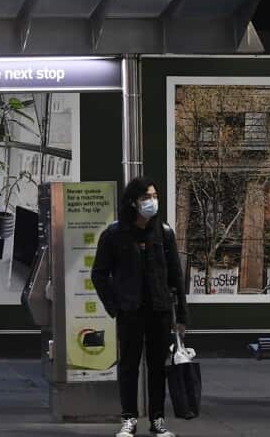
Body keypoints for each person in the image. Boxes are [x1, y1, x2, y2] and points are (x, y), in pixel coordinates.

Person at [90, 177, 188, 437]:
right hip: (130, 311)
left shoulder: (164, 232)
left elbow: (176, 278)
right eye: (146, 197)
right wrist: (115, 306)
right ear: (133, 202)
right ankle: (129, 419)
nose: (152, 202)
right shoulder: (114, 234)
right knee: (128, 366)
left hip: (160, 311)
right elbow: (99, 274)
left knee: (158, 367)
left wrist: (182, 317)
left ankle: (157, 420)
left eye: (154, 196)